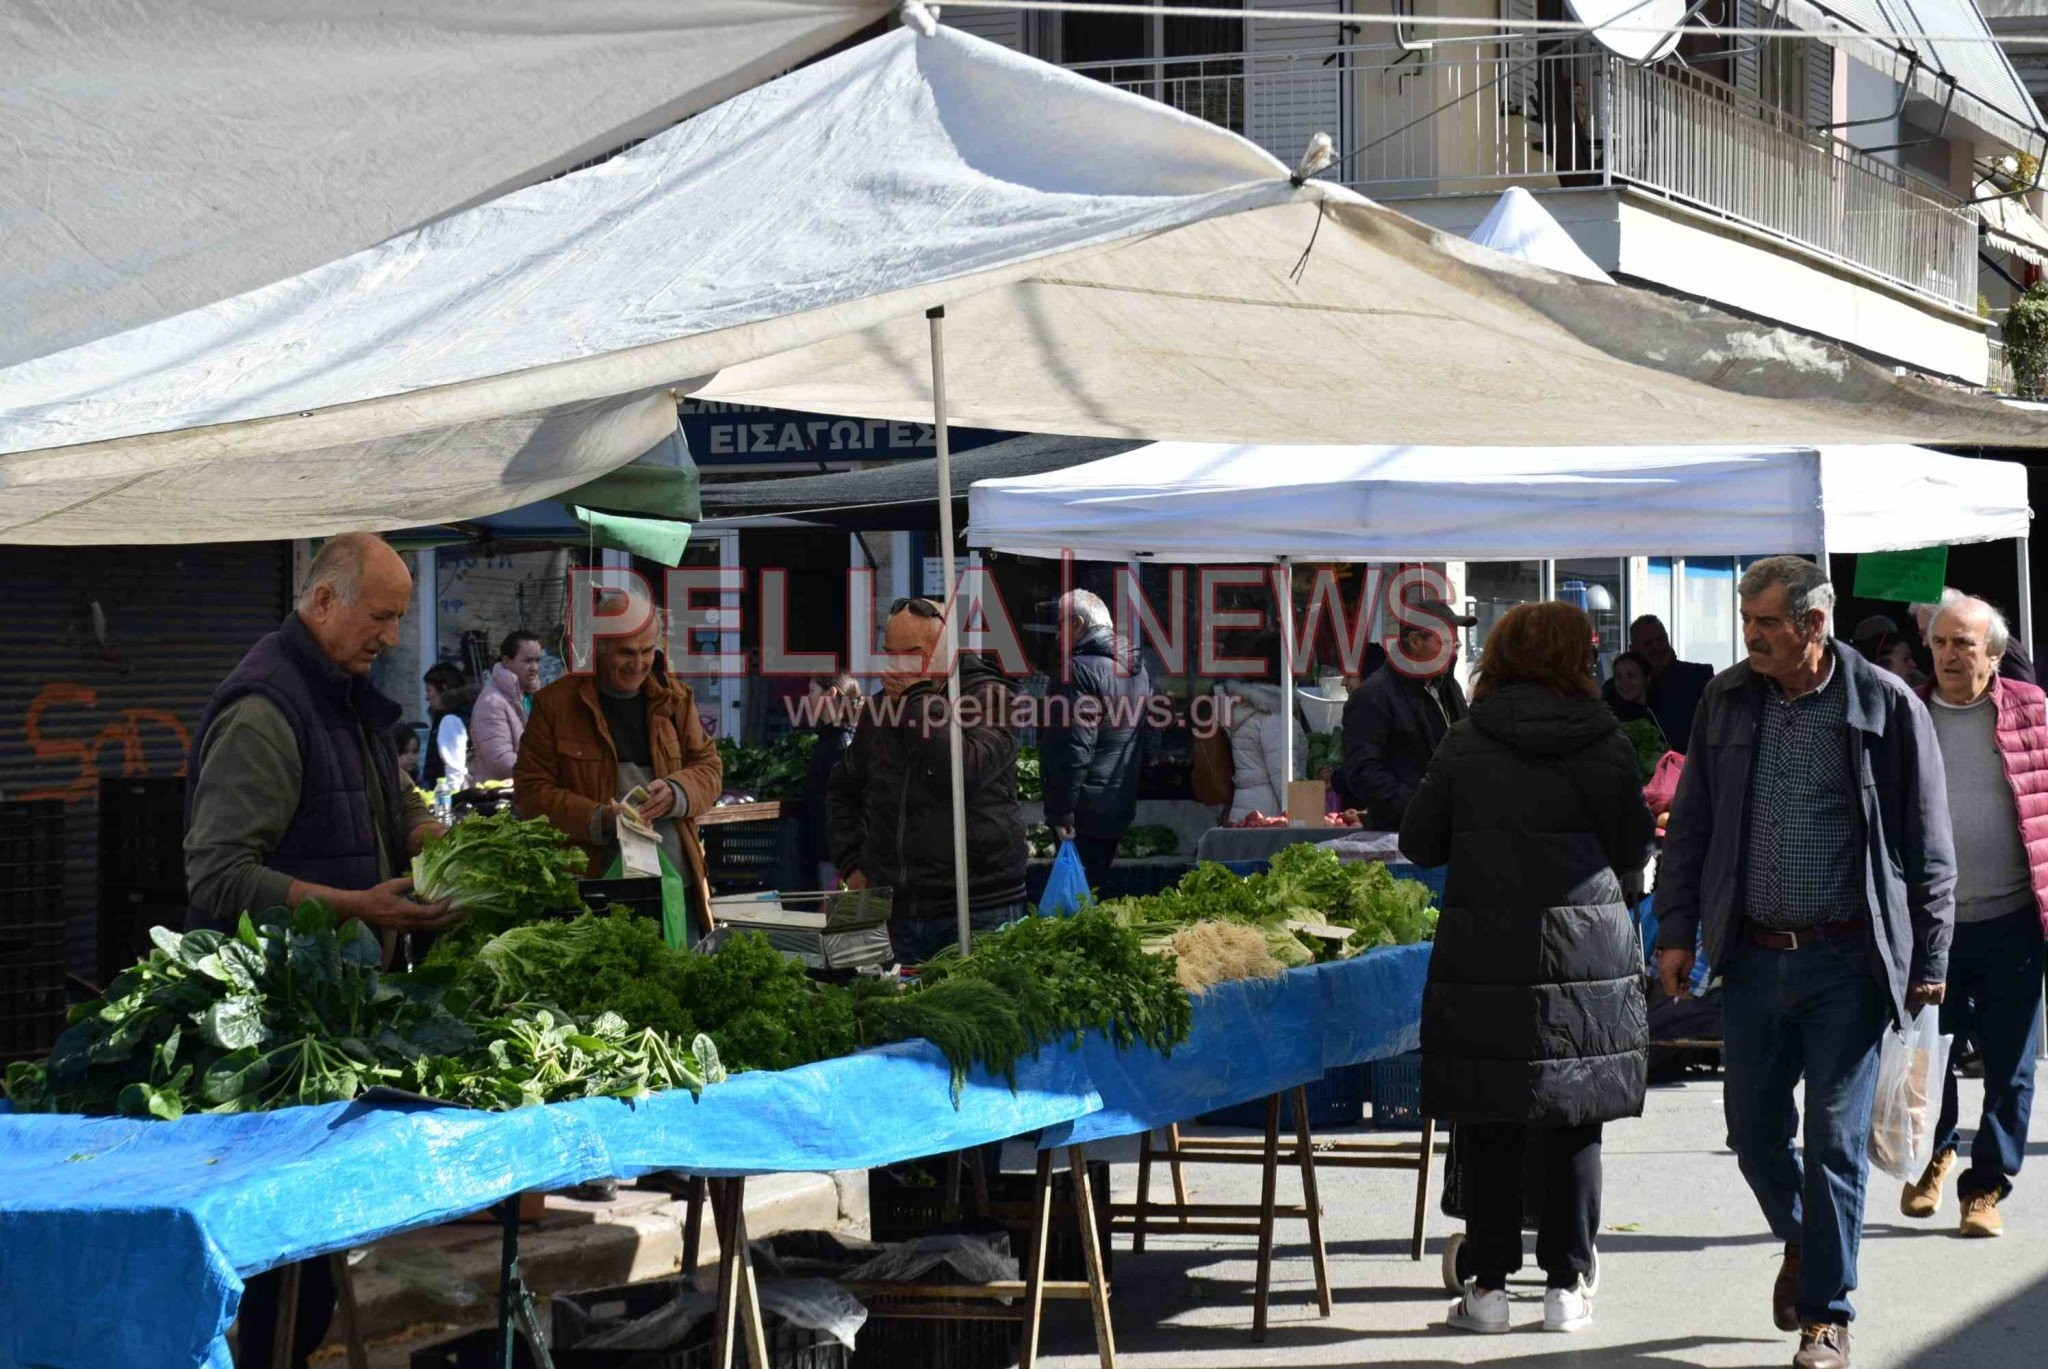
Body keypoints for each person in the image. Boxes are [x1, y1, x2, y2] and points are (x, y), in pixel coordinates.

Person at [1657, 556, 1953, 1369]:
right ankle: (1805, 1238)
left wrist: (1930, 954)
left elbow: (1930, 845)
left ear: (1813, 625)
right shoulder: (1725, 698)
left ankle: (1828, 1314)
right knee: (1752, 1136)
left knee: (1834, 1138)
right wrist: (1675, 930)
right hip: (1751, 956)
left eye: (1766, 624)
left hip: (1846, 963)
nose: (1751, 637)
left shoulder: (1886, 705)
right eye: (1747, 623)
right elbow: (1692, 826)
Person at [183, 532, 455, 1369]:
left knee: (313, 1270)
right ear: (324, 600)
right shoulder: (267, 707)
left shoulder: (342, 691)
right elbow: (218, 876)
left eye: (401, 619)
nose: (392, 637)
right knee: (281, 1277)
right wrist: (356, 906)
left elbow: (388, 793)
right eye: (381, 616)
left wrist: (428, 834)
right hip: (281, 1033)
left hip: (341, 1020)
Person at [1400, 602, 1654, 1336]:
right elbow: (1635, 844)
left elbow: (1420, 841)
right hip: (1587, 952)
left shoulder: (1466, 739)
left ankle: (1485, 1289)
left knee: (1488, 1113)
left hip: (1485, 952)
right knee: (1575, 1116)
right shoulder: (1604, 739)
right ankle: (1567, 1285)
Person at [1902, 596, 2046, 1238]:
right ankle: (1934, 1155)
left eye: (1965, 644)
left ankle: (1985, 1188)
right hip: (1931, 925)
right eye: (1941, 643)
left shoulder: (2032, 711)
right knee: (1927, 1054)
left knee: (2011, 1064)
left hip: (2015, 918)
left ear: (1994, 654)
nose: (1951, 655)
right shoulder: (1905, 713)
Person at [826, 597, 1027, 965]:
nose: (899, 666)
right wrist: (852, 861)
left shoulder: (991, 697)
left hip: (977, 907)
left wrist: (918, 699)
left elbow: (963, 769)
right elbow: (843, 789)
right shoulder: (880, 709)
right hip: (895, 910)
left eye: (913, 654)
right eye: (891, 654)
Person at [514, 595, 723, 926]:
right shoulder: (554, 706)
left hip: (674, 885)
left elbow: (709, 768)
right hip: (595, 888)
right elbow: (530, 793)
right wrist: (598, 819)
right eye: (626, 652)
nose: (638, 663)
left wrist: (677, 791)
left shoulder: (677, 698)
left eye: (647, 651)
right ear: (599, 648)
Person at [1040, 589, 1155, 891]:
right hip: (1117, 804)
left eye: (1060, 625)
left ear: (1077, 623)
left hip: (1082, 812)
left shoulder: (1076, 671)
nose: (1055, 635)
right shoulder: (1138, 670)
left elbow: (1072, 748)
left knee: (1077, 904)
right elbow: (1148, 740)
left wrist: (1062, 810)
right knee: (1095, 893)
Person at [1340, 599, 1472, 831]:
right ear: (1415, 641)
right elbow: (1363, 770)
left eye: (1457, 645)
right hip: (1400, 833)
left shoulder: (1448, 687)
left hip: (1452, 827)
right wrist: (1418, 807)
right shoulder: (1374, 696)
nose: (1453, 652)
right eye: (1447, 643)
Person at [1217, 642, 1307, 824]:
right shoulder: (1275, 713)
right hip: (1269, 813)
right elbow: (1284, 777)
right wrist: (1300, 819)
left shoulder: (1246, 709)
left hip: (1248, 807)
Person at [801, 673, 863, 888]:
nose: (806, 698)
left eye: (812, 691)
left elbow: (848, 805)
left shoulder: (841, 745)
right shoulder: (831, 739)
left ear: (831, 694)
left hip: (836, 855)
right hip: (828, 850)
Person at [1625, 614, 1715, 752]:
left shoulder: (1698, 678)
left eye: (1661, 639)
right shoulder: (1617, 689)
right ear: (1633, 649)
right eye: (1648, 643)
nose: (1657, 647)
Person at [1913, 588, 2035, 685]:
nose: (1924, 642)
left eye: (1962, 642)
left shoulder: (1996, 641)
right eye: (1939, 640)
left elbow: (2022, 696)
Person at [468, 630, 543, 782]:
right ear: (507, 661)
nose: (534, 667)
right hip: (501, 796)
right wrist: (546, 769)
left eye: (537, 660)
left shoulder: (534, 696)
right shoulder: (491, 702)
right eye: (528, 661)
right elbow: (500, 761)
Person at [419, 661, 476, 789]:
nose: (426, 697)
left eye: (429, 690)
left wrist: (449, 800)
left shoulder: (450, 719)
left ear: (443, 688)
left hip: (445, 794)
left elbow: (454, 769)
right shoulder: (466, 713)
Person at [1603, 649, 1663, 734]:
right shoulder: (1609, 716)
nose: (1624, 683)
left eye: (1631, 676)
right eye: (1619, 677)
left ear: (1647, 679)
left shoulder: (1664, 710)